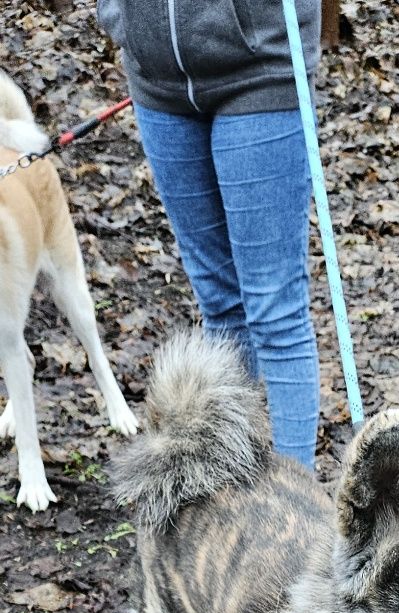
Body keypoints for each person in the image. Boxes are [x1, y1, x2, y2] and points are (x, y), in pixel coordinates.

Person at [98, 0, 321, 468]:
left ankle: (294, 517)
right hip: (157, 79)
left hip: (261, 67)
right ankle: (234, 496)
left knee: (274, 309)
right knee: (219, 304)